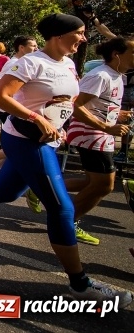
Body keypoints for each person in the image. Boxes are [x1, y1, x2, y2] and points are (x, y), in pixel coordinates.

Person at [0, 14, 133, 305]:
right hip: (24, 139)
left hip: (45, 140)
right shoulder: (30, 62)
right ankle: (80, 284)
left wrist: (58, 122)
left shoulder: (68, 64)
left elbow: (63, 102)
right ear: (58, 36)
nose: (84, 39)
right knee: (61, 208)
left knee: (6, 191)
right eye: (79, 33)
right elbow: (1, 97)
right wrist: (37, 118)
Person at [62, 37, 134, 245]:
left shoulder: (117, 75)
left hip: (100, 134)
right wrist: (106, 127)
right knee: (104, 185)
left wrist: (118, 114)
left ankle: (42, 190)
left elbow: (98, 104)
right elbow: (75, 105)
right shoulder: (101, 75)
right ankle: (66, 223)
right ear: (116, 55)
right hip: (90, 134)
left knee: (93, 183)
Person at [0, 36, 39, 181]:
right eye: (33, 46)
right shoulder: (14, 63)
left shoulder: (24, 62)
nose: (36, 48)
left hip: (18, 109)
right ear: (22, 47)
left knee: (20, 145)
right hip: (10, 110)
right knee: (19, 145)